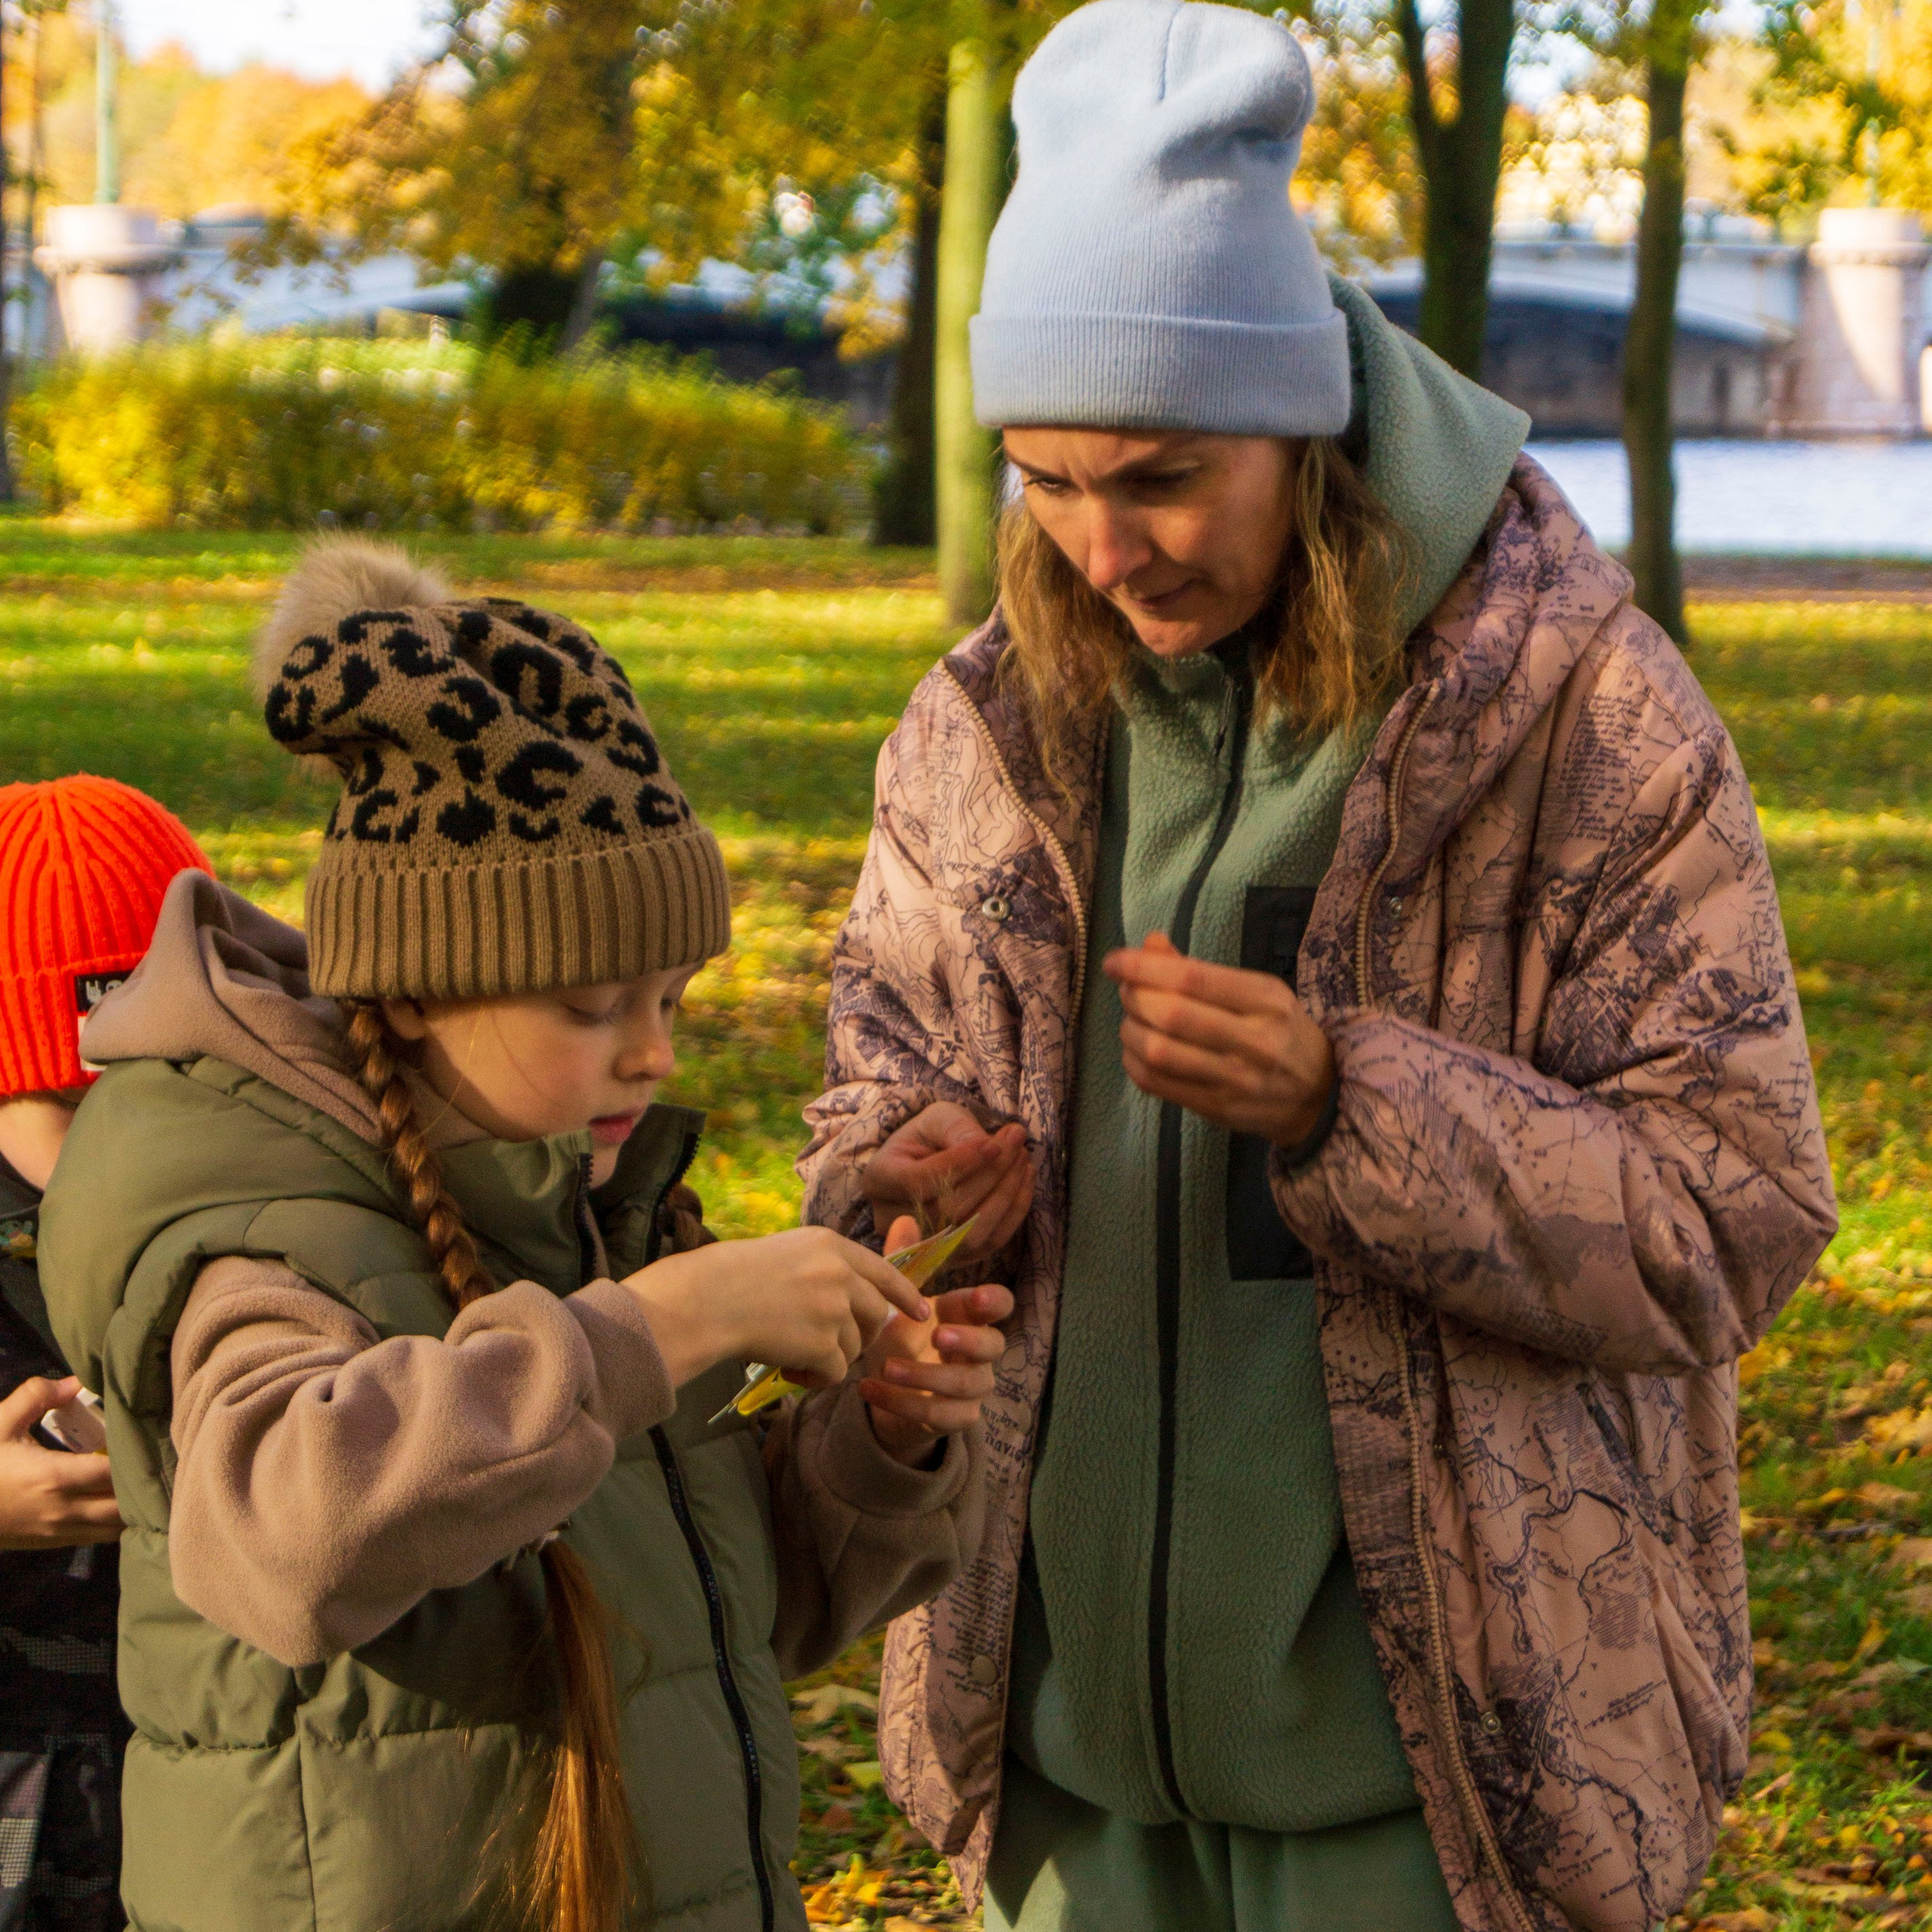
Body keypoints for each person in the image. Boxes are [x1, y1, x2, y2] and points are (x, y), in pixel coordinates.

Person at [798, 5, 1838, 1930]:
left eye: (1158, 475)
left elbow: (1733, 1213)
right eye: (1041, 477)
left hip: (1437, 1796)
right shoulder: (974, 731)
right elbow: (866, 1085)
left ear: (1300, 425)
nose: (1099, 543)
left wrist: (1347, 1103)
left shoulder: (1581, 715)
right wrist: (903, 1183)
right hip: (1055, 1774)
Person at [36, 540, 1012, 1932]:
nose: (651, 1056)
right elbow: (281, 1543)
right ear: (425, 986)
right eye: (592, 1006)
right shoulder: (256, 1218)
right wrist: (673, 1321)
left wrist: (880, 1436)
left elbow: (726, 1628)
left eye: (671, 999)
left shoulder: (563, 1207)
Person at [0, 775, 214, 1931]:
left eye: (165, 1090)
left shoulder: (270, 1210)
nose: (127, 1152)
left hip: (212, 1799)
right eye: (73, 1110)